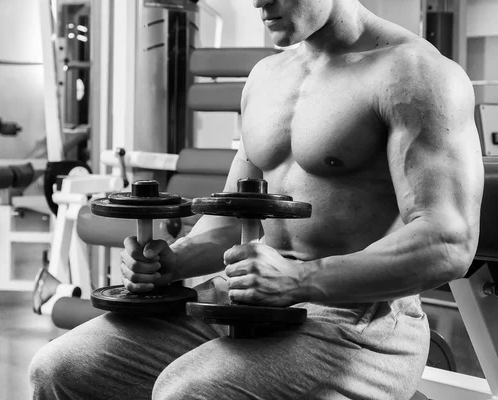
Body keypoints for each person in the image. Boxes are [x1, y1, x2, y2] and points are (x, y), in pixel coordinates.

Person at [29, 0, 484, 398]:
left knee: (190, 392)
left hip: (358, 323)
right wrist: (174, 262)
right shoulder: (266, 78)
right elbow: (231, 220)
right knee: (62, 369)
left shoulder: (415, 73)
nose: (257, 2)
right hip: (241, 299)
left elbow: (447, 241)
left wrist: (301, 279)